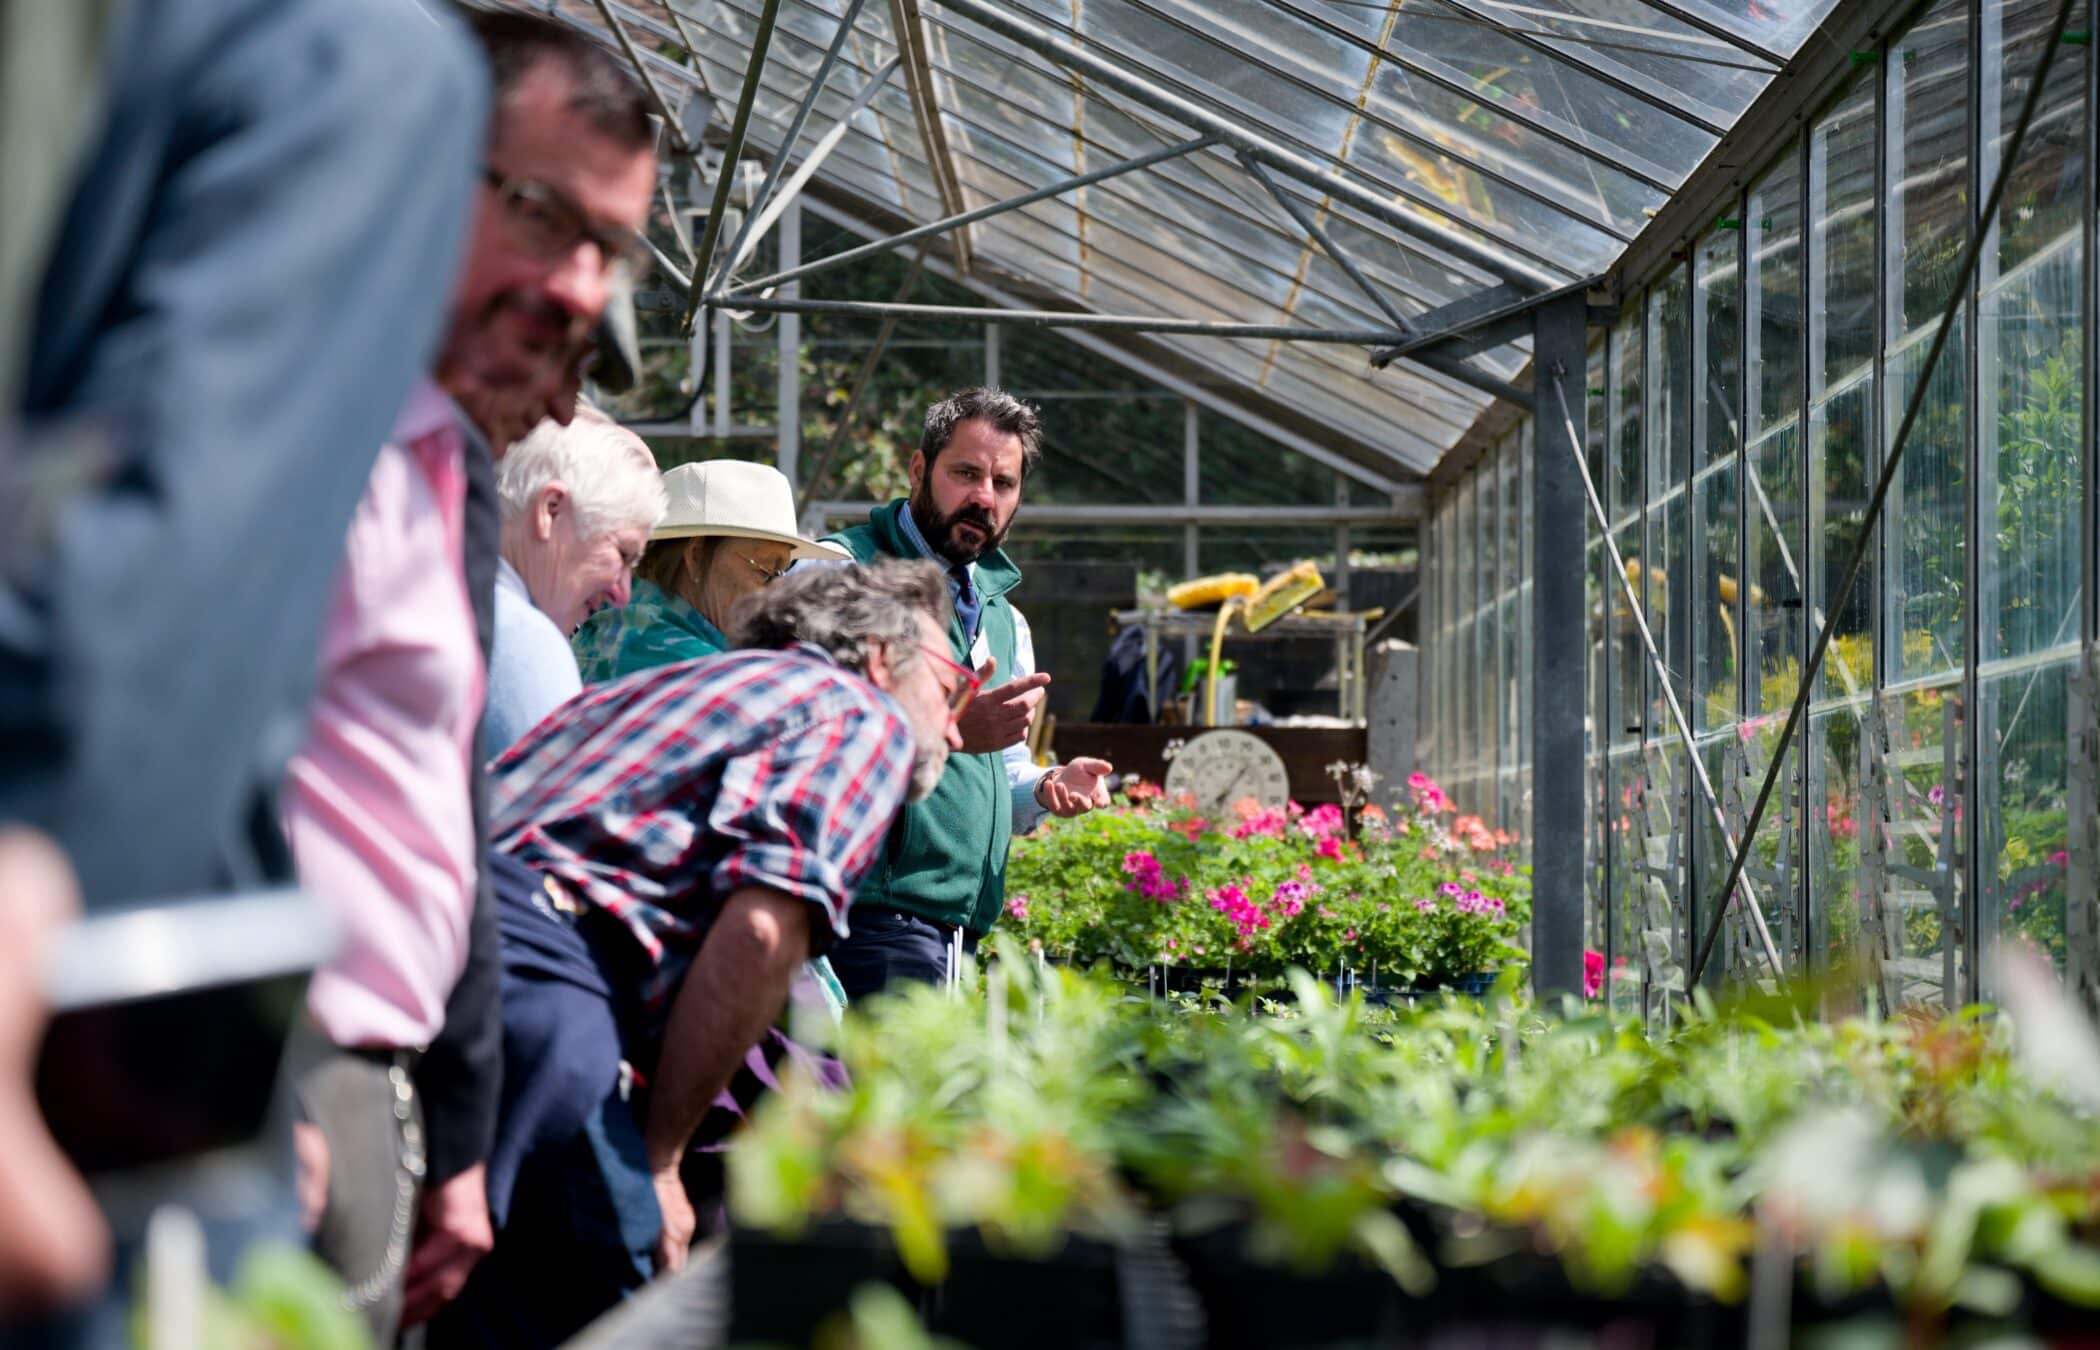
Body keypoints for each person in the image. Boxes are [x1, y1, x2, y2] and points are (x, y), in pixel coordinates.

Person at [281, 13, 659, 1340]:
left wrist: (452, 1135)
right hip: (269, 1073)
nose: (572, 301)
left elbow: (449, 833)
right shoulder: (283, 413)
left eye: (602, 261)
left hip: (371, 1089)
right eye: (547, 215)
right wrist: (239, 1065)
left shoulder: (444, 484)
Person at [432, 561, 967, 1348]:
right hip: (539, 973)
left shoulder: (679, 689)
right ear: (881, 658)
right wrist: (659, 1162)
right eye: (952, 690)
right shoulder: (857, 713)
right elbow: (762, 928)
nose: (954, 728)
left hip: (428, 937)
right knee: (618, 1277)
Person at [818, 387, 1113, 1000]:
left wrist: (1044, 786)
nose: (984, 497)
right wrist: (947, 730)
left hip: (953, 932)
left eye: (1003, 483)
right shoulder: (841, 574)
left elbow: (1000, 771)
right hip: (863, 920)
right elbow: (804, 740)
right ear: (919, 469)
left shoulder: (1004, 618)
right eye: (965, 473)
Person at [572, 458, 846, 683]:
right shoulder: (703, 671)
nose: (776, 593)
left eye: (783, 574)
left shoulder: (610, 624)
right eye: (765, 571)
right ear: (696, 555)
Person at [487, 407, 665, 752]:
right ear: (551, 509)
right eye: (623, 554)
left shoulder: (434, 586)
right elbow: (550, 802)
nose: (622, 593)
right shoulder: (523, 642)